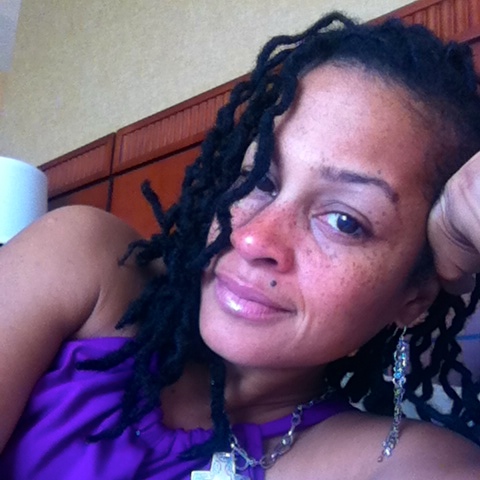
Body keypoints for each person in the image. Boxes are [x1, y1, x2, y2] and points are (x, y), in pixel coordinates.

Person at [1, 12, 480, 480]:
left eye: (343, 221)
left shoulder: (411, 464)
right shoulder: (83, 260)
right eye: (261, 181)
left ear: (412, 298)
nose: (252, 238)